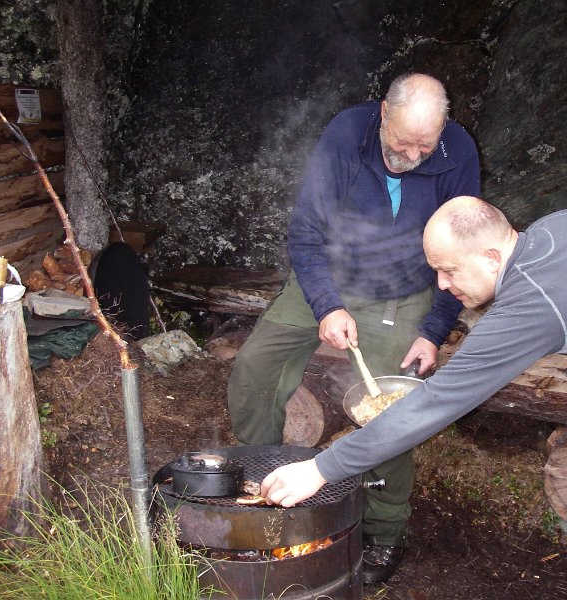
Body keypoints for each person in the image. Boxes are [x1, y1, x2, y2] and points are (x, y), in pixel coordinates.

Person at [261, 197, 567, 600]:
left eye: (448, 271)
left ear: (491, 256)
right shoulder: (556, 224)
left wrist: (323, 468)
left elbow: (439, 401)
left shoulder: (531, 306)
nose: (442, 284)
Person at [227, 74, 480, 584]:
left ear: (443, 130)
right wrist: (326, 305)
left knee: (388, 411)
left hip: (400, 292)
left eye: (424, 145)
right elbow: (305, 234)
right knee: (255, 368)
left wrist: (432, 330)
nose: (412, 154)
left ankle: (383, 532)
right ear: (383, 112)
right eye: (404, 141)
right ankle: (265, 482)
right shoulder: (346, 134)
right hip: (325, 279)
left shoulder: (458, 152)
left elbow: (465, 255)